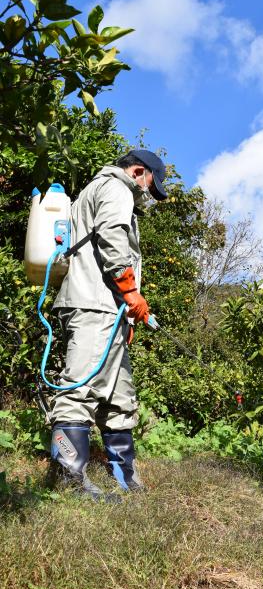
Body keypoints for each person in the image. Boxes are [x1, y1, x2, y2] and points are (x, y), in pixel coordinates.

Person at [48, 149, 168, 499]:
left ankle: (124, 477)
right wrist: (131, 292)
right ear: (138, 171)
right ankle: (68, 478)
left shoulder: (101, 189)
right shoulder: (116, 188)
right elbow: (112, 238)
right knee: (79, 387)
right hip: (94, 304)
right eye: (151, 185)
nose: (149, 193)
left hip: (108, 310)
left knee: (120, 397)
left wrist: (126, 314)